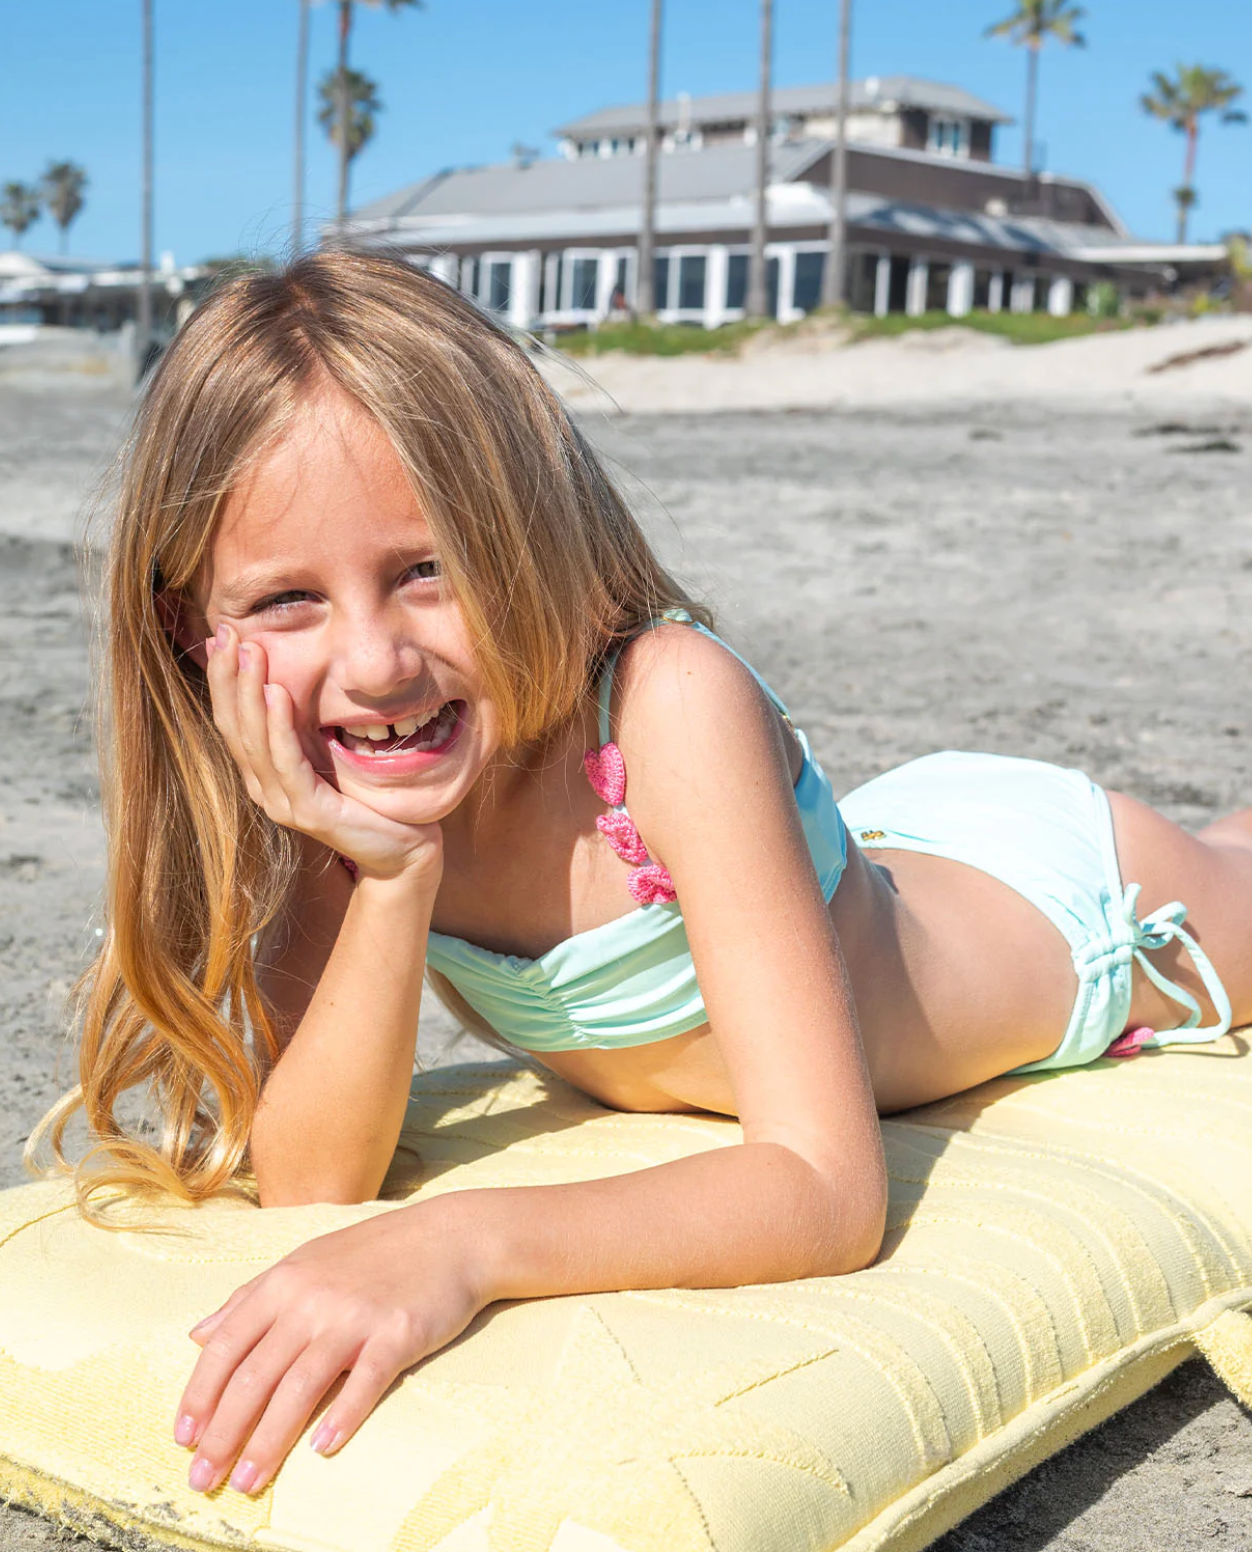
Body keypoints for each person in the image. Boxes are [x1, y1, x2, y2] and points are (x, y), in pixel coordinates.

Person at [28, 249, 1250, 1501]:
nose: (376, 661)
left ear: (528, 530)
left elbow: (826, 1191)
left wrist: (459, 1244)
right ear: (195, 630)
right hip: (875, 857)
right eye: (286, 599)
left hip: (1066, 906)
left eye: (428, 566)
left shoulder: (665, 702)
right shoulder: (331, 792)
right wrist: (389, 876)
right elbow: (314, 1179)